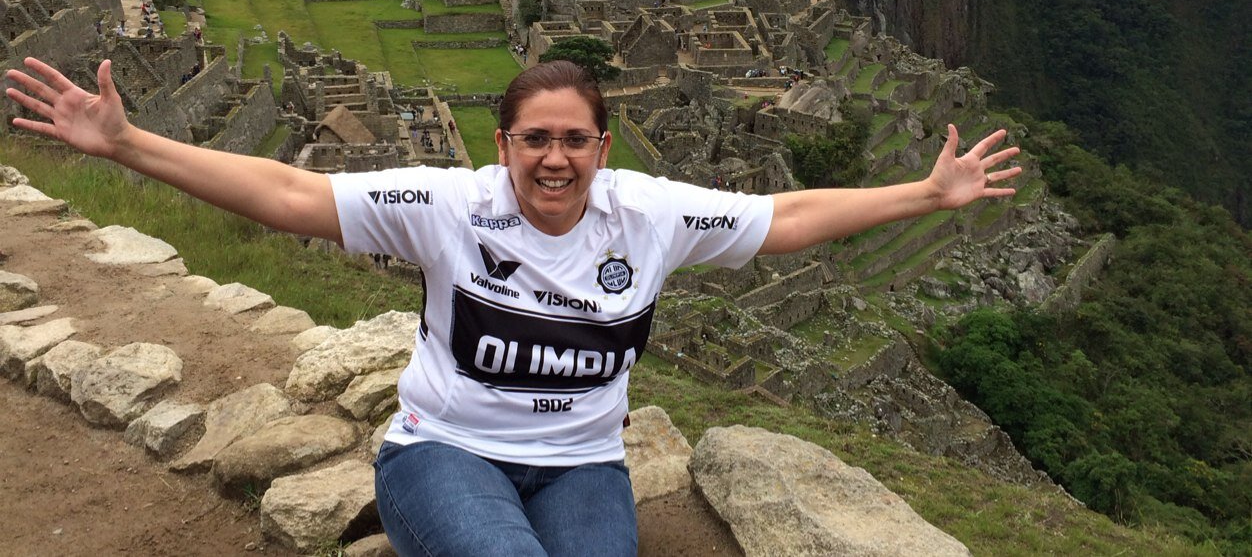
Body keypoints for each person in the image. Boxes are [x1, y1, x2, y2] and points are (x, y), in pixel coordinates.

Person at [4, 55, 1020, 557]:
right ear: (502, 147)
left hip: (580, 464)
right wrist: (130, 145)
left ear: (602, 149)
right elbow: (291, 195)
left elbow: (786, 215)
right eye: (533, 137)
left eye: (574, 138)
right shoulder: (451, 208)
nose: (554, 156)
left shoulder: (650, 216)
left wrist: (925, 195)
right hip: (443, 448)